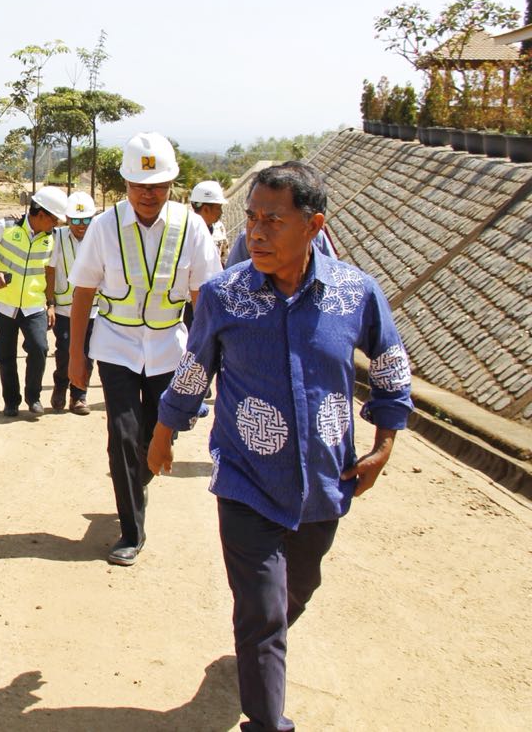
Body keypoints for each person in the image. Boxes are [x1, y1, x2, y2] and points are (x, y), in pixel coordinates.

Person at [148, 161, 413, 732]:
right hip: (247, 479)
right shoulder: (225, 295)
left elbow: (391, 367)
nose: (258, 232)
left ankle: (258, 649)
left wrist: (384, 444)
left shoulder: (355, 294)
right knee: (262, 611)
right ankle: (267, 722)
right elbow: (195, 369)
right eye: (253, 218)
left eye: (274, 220)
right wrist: (164, 431)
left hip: (324, 481)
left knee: (298, 588)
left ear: (314, 225)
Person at [68, 132, 221, 567]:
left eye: (157, 185)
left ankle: (142, 477)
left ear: (172, 184)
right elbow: (83, 292)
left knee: (157, 434)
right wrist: (77, 357)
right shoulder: (104, 226)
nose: (148, 194)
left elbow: (203, 300)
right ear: (126, 185)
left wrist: (207, 362)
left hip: (168, 349)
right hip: (116, 346)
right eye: (139, 185)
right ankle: (131, 530)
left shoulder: (191, 227)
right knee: (123, 434)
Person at [0, 185, 69, 417]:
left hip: (34, 305)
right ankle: (11, 401)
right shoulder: (4, 227)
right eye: (54, 219)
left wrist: (51, 303)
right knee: (5, 355)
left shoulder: (52, 238)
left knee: (39, 348)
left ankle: (33, 397)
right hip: (4, 304)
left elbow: (49, 272)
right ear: (42, 214)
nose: (56, 224)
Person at [45, 190, 97, 416]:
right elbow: (50, 269)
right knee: (65, 350)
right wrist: (50, 303)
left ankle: (79, 396)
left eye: (86, 219)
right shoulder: (58, 237)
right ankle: (60, 385)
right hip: (65, 308)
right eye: (76, 220)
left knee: (88, 352)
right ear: (67, 219)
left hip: (94, 310)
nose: (81, 225)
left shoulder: (99, 238)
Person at [190, 180, 228, 263]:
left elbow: (224, 260)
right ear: (206, 209)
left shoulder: (219, 228)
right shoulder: (187, 230)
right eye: (218, 208)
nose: (221, 212)